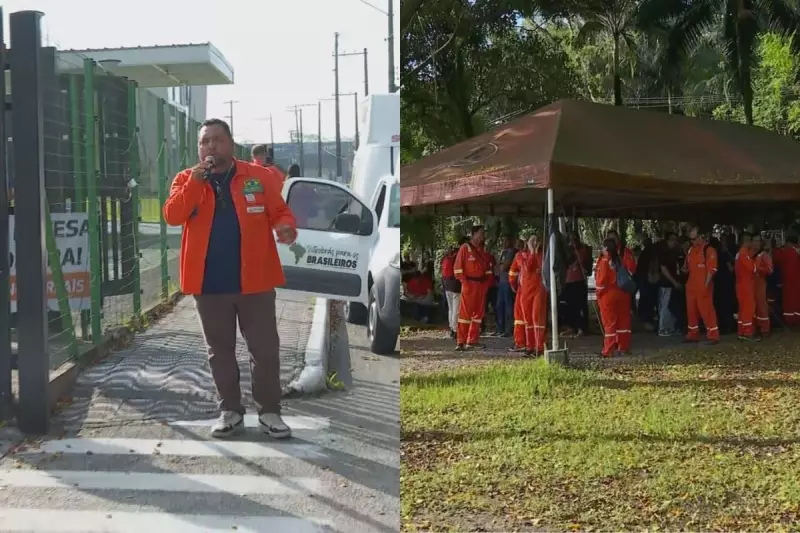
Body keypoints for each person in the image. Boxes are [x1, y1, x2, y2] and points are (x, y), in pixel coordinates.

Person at [163, 118, 298, 439]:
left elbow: (279, 211)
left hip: (255, 281)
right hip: (209, 284)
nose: (210, 146)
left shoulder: (258, 177)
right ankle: (230, 411)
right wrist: (195, 183)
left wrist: (286, 226)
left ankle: (269, 412)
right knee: (219, 351)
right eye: (204, 141)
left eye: (217, 140)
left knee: (265, 350)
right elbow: (173, 215)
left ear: (231, 144)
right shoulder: (185, 179)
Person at [454, 226, 492, 350]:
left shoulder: (482, 251)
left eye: (483, 234)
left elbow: (488, 270)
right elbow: (458, 269)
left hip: (481, 286)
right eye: (480, 233)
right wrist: (465, 283)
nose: (482, 236)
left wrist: (486, 285)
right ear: (473, 234)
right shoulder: (465, 248)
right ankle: (461, 342)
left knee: (478, 315)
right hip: (469, 285)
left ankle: (473, 340)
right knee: (465, 314)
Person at [683, 226, 720, 345]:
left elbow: (712, 270)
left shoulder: (709, 250)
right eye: (691, 239)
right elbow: (686, 267)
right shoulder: (691, 250)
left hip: (703, 285)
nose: (692, 242)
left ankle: (713, 335)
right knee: (691, 311)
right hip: (691, 286)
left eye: (694, 239)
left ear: (700, 237)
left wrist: (706, 285)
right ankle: (692, 334)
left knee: (707, 311)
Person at [595, 238, 631, 357]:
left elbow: (601, 282)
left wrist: (598, 294)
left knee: (610, 323)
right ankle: (623, 347)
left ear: (606, 248)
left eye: (602, 247)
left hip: (608, 295)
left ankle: (608, 350)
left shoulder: (604, 261)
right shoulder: (619, 259)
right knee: (623, 322)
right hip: (623, 294)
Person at [517, 235, 547, 357]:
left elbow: (543, 268)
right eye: (532, 240)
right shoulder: (520, 255)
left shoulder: (543, 255)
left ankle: (539, 347)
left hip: (539, 289)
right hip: (525, 291)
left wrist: (535, 253)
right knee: (528, 320)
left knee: (537, 318)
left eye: (536, 240)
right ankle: (530, 346)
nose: (534, 243)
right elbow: (528, 267)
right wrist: (532, 252)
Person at [561, 231, 591, 337]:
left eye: (574, 239)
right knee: (569, 305)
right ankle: (571, 327)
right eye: (570, 239)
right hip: (568, 281)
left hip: (579, 280)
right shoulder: (566, 250)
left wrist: (576, 250)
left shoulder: (582, 250)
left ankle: (581, 327)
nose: (572, 241)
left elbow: (582, 261)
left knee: (580, 305)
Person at [508, 240, 531, 352]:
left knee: (520, 316)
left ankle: (521, 343)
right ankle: (534, 343)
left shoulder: (519, 256)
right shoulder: (541, 255)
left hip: (523, 289)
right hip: (537, 290)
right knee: (533, 316)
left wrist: (514, 286)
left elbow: (512, 274)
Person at [657, 232, 681, 337]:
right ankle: (663, 328)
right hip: (666, 283)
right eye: (672, 239)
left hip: (671, 283)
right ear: (667, 241)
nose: (674, 242)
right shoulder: (664, 252)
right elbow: (664, 269)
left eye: (675, 240)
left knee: (670, 306)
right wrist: (673, 281)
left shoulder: (673, 252)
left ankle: (670, 327)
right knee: (665, 306)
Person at [713, 235, 737, 334]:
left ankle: (722, 325)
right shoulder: (726, 254)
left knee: (720, 305)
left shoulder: (716, 254)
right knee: (727, 304)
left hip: (718, 282)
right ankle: (727, 325)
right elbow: (731, 269)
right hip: (726, 283)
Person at [495, 235, 517, 338]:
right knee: (499, 305)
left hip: (508, 282)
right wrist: (500, 266)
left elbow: (504, 267)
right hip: (501, 282)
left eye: (507, 240)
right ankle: (500, 329)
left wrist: (501, 266)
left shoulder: (512, 252)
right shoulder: (503, 252)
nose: (504, 242)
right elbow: (497, 267)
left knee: (508, 306)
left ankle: (509, 329)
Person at [775, 235, 800, 326]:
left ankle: (790, 320)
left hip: (789, 282)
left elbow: (776, 258)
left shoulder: (787, 252)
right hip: (797, 281)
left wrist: (776, 248)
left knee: (789, 302)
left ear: (788, 243)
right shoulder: (797, 251)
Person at [441, 242, 464, 338]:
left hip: (447, 286)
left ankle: (451, 327)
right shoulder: (457, 258)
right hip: (455, 287)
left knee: (450, 308)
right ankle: (455, 330)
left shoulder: (445, 259)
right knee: (456, 309)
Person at [755, 236, 774, 336]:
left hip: (761, 283)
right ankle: (757, 326)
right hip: (752, 283)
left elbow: (770, 270)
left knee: (762, 306)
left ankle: (765, 328)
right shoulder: (753, 255)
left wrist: (759, 269)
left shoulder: (764, 255)